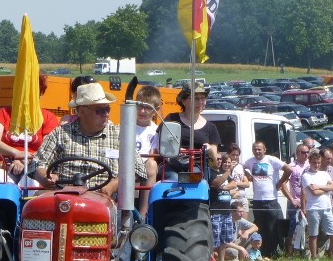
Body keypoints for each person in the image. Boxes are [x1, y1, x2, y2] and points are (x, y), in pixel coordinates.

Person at [33, 82, 147, 197]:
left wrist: (113, 185)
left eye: (107, 109)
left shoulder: (119, 134)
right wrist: (45, 177)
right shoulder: (59, 134)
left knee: (124, 213)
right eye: (100, 110)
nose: (106, 114)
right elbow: (37, 165)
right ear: (81, 111)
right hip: (65, 199)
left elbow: (138, 169)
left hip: (106, 199)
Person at [0, 73, 60, 179]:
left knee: (35, 183)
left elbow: (48, 148)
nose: (26, 97)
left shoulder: (48, 117)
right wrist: (16, 154)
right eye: (23, 92)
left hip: (35, 167)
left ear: (41, 94)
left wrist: (25, 160)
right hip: (6, 166)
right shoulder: (4, 113)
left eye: (31, 93)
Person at [159, 82, 221, 178]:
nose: (200, 102)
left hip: (198, 168)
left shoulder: (211, 127)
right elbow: (160, 144)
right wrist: (175, 150)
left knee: (194, 179)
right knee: (173, 179)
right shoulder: (171, 119)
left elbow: (213, 163)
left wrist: (209, 150)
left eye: (203, 98)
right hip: (172, 165)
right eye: (196, 99)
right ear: (183, 101)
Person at [243, 140, 292, 258]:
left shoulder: (271, 160)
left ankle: (274, 253)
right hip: (257, 201)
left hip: (271, 200)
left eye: (259, 149)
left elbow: (288, 169)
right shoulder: (250, 161)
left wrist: (280, 182)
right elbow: (240, 167)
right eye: (255, 149)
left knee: (273, 228)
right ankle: (262, 253)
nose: (257, 151)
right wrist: (248, 175)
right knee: (261, 227)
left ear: (264, 150)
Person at [301, 148, 333, 260]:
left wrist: (320, 186)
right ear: (309, 162)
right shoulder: (306, 176)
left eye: (318, 163)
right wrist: (326, 189)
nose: (316, 165)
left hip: (327, 207)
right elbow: (314, 192)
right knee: (313, 234)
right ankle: (314, 257)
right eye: (314, 162)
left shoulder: (324, 174)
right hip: (313, 208)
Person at [135, 85, 162, 217]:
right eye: (140, 106)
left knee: (152, 164)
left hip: (144, 167)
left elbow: (152, 155)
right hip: (125, 164)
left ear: (155, 111)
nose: (143, 111)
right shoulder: (125, 126)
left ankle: (143, 213)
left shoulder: (156, 131)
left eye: (147, 108)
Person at [209, 153, 240, 261]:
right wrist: (227, 173)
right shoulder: (211, 172)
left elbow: (234, 184)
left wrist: (223, 187)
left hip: (227, 211)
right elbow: (216, 183)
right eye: (217, 159)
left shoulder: (226, 174)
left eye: (220, 159)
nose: (219, 161)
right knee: (214, 238)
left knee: (224, 239)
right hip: (215, 210)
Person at [285, 142, 310, 257]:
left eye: (307, 152)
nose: (306, 154)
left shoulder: (310, 166)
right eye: (303, 152)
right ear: (297, 153)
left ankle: (305, 253)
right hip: (295, 202)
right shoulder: (291, 166)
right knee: (293, 228)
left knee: (307, 229)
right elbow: (282, 184)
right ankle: (290, 254)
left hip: (308, 202)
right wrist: (291, 199)